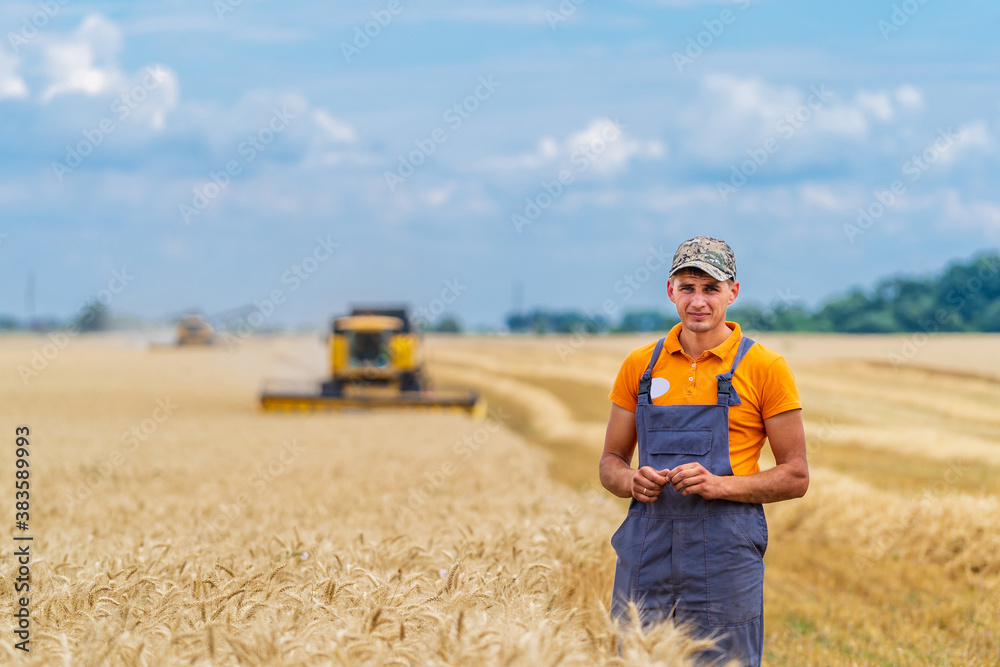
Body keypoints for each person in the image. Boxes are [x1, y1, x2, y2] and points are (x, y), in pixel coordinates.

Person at [599, 236, 808, 666]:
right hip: (647, 547)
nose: (699, 300)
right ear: (670, 290)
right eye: (688, 286)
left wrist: (719, 485)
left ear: (733, 291)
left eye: (711, 288)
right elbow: (610, 463)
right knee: (635, 657)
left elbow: (795, 475)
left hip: (725, 549)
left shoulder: (765, 368)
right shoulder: (640, 365)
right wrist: (629, 480)